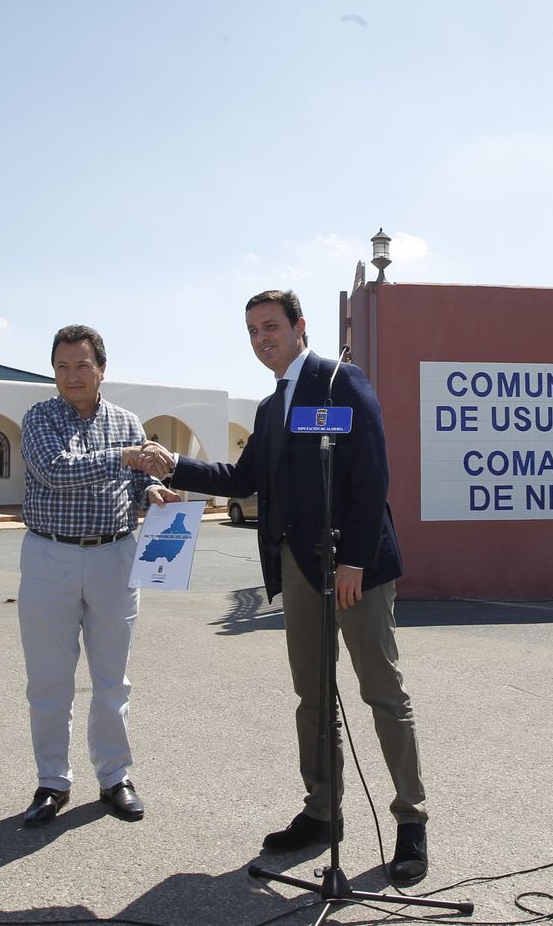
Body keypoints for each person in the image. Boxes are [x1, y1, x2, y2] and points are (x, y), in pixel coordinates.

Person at [139, 290, 430, 886]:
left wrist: (355, 560)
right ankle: (322, 813)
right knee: (313, 697)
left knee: (382, 692)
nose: (261, 338)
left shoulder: (340, 382)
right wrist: (174, 465)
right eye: (252, 330)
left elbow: (371, 474)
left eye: (270, 326)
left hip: (355, 570)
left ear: (300, 326)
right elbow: (244, 478)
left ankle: (410, 820)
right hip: (298, 568)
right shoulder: (272, 408)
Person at [17, 324, 178, 827]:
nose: (72, 375)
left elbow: (133, 484)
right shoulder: (39, 417)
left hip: (115, 556)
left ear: (102, 369)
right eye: (62, 366)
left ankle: (114, 776)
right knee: (49, 680)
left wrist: (149, 492)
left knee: (112, 679)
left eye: (82, 365)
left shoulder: (127, 421)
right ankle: (52, 781)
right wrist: (125, 457)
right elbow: (54, 470)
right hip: (50, 555)